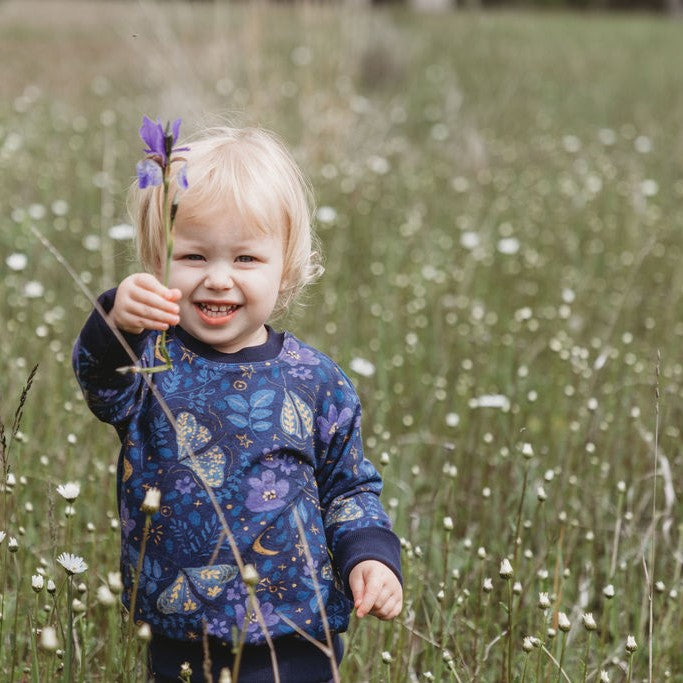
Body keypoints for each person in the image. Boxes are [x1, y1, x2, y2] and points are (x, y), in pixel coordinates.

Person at [72, 125, 402, 682]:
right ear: (158, 259)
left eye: (247, 258)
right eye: (195, 256)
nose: (218, 279)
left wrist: (370, 555)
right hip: (178, 626)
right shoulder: (150, 360)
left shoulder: (315, 380)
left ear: (287, 268)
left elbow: (349, 487)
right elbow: (100, 381)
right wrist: (115, 321)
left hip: (297, 629)